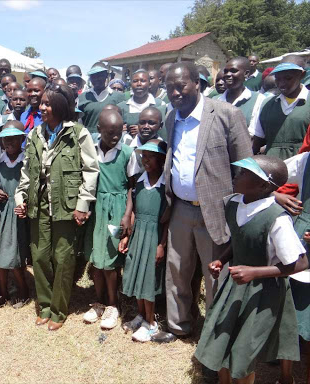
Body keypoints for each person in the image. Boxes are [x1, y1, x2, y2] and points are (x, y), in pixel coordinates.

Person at [154, 62, 252, 342]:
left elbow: (244, 166)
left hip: (216, 212)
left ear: (197, 83)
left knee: (215, 278)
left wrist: (239, 211)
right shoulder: (172, 118)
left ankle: (214, 336)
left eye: (181, 85)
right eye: (170, 87)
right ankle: (178, 325)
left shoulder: (226, 114)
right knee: (177, 272)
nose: (175, 92)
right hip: (180, 210)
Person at [195, 155, 308, 384]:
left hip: (263, 292)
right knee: (223, 337)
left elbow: (301, 263)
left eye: (246, 173)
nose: (238, 175)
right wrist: (222, 260)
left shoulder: (277, 219)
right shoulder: (234, 203)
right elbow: (237, 240)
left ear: (264, 185)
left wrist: (255, 272)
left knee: (244, 349)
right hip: (235, 286)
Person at [15, 83, 99, 331]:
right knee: (39, 256)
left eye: (47, 104)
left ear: (61, 107)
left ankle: (59, 309)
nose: (42, 107)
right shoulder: (34, 134)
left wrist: (83, 204)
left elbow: (91, 171)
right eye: (41, 103)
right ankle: (44, 306)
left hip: (66, 204)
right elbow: (26, 171)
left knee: (63, 258)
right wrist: (21, 198)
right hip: (39, 204)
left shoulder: (78, 134)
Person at [82, 109, 135, 330]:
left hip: (117, 210)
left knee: (112, 259)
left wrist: (127, 215)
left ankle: (113, 304)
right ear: (99, 130)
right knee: (96, 257)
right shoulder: (91, 151)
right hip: (97, 209)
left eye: (119, 132)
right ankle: (99, 301)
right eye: (110, 132)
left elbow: (132, 187)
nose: (115, 137)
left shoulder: (127, 153)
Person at [119, 139, 168, 341]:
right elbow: (132, 211)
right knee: (136, 273)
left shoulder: (166, 186)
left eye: (150, 157)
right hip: (139, 233)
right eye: (143, 156)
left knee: (148, 279)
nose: (145, 160)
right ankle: (141, 315)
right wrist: (126, 236)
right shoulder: (139, 181)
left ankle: (151, 323)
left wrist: (161, 245)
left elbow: (167, 221)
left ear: (162, 159)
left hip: (154, 235)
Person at [274, 151, 310, 384]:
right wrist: (278, 196)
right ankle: (286, 377)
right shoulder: (305, 161)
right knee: (290, 309)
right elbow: (264, 177)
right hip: (301, 244)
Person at [0, 122, 30, 310]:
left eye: (14, 138)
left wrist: (26, 203)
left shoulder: (27, 161)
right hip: (2, 211)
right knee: (0, 255)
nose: (9, 142)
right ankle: (3, 294)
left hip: (18, 213)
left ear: (22, 139)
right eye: (6, 139)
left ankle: (23, 291)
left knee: (15, 257)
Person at [253, 57, 309, 160]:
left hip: (302, 168)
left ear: (302, 75)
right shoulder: (266, 104)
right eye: (278, 78)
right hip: (272, 168)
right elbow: (257, 140)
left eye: (288, 78)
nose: (282, 83)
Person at [217, 57, 266, 136]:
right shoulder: (215, 100)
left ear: (246, 74)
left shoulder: (258, 100)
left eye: (233, 71)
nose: (228, 75)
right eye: (226, 71)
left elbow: (256, 136)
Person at [118, 69, 166, 146]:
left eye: (143, 81)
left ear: (149, 84)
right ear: (131, 84)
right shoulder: (121, 107)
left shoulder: (160, 105)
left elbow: (163, 131)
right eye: (135, 81)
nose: (139, 84)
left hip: (153, 149)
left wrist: (142, 130)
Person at [78, 66, 125, 134]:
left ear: (106, 76)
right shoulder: (82, 97)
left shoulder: (119, 97)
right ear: (90, 78)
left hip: (111, 139)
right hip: (88, 139)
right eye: (93, 76)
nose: (97, 79)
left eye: (100, 76)